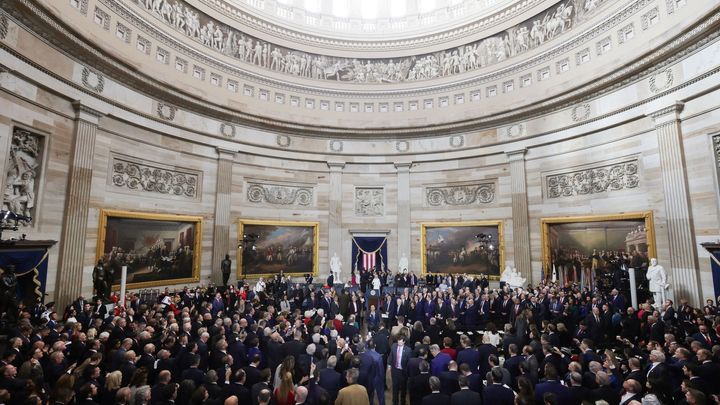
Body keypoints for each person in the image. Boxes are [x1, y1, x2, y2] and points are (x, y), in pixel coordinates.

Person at [388, 336, 412, 405]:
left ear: (404, 342)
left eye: (400, 341)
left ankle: (403, 402)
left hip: (403, 372)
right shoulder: (393, 346)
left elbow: (409, 362)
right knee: (395, 388)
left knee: (403, 389)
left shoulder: (408, 350)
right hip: (395, 371)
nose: (398, 342)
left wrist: (407, 372)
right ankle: (395, 402)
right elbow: (391, 356)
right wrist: (389, 365)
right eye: (398, 341)